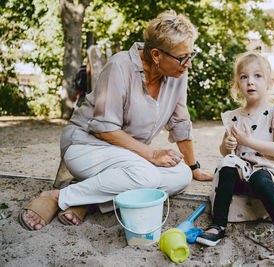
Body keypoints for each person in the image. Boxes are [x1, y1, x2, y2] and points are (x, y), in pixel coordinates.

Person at [19, 10, 212, 231]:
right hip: (86, 146)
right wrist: (152, 154)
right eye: (182, 57)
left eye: (191, 55)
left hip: (128, 156)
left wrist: (193, 167)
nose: (188, 64)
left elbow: (180, 122)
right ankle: (58, 196)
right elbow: (104, 129)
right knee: (146, 176)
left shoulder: (178, 73)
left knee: (180, 175)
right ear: (157, 55)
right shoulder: (120, 66)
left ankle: (89, 199)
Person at [196, 52, 274, 262]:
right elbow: (225, 151)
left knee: (260, 176)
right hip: (242, 179)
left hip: (267, 177)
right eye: (243, 76)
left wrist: (248, 141)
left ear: (269, 82)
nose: (250, 81)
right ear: (237, 84)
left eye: (257, 76)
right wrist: (227, 145)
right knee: (227, 164)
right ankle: (218, 225)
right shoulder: (234, 117)